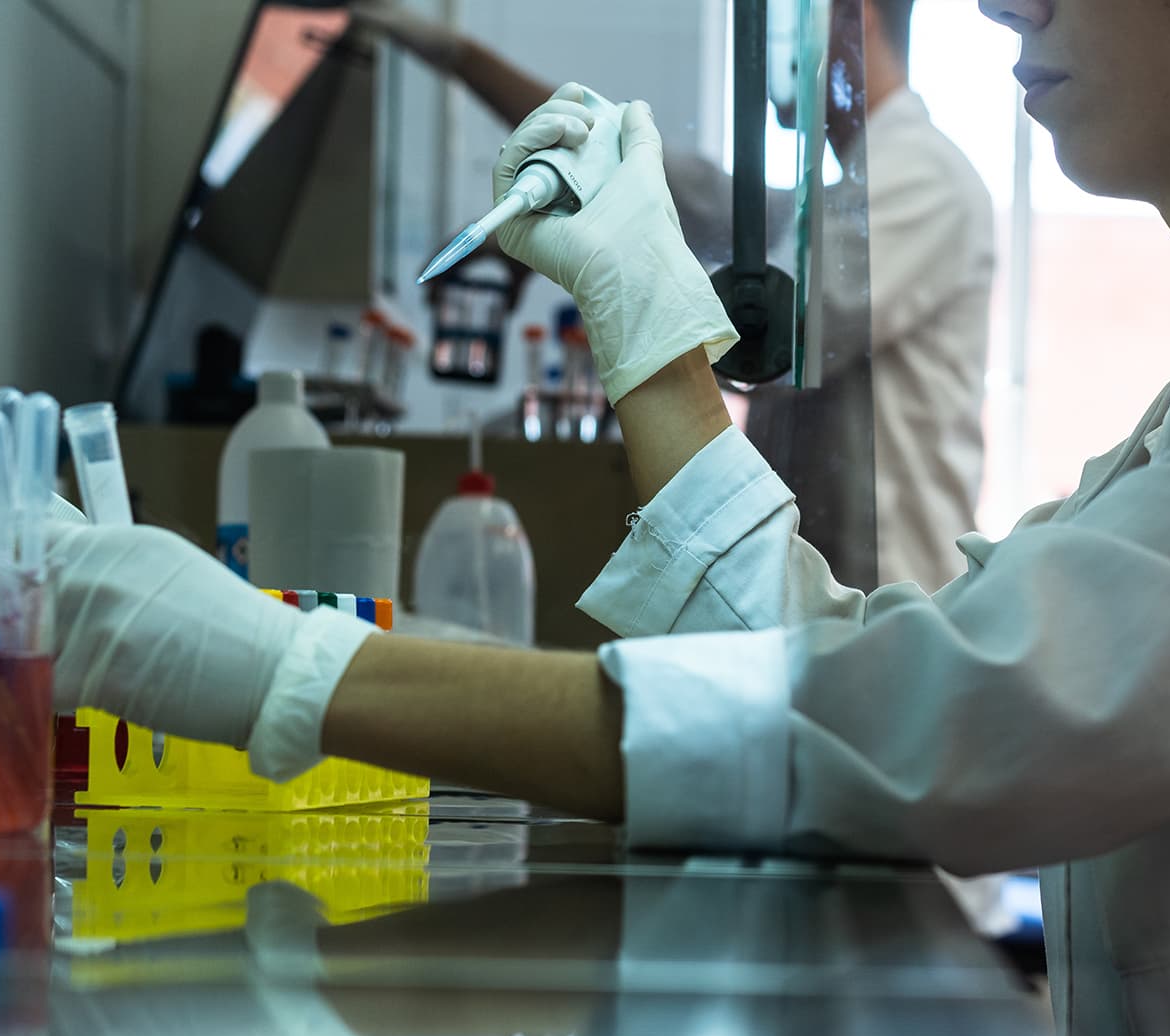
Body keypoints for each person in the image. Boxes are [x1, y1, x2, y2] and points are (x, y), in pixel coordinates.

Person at [48, 0, 1170, 1036]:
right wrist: (649, 335)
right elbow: (888, 676)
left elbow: (938, 731)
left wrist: (295, 668)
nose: (996, 4)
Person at [353, 0, 996, 598]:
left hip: (894, 602)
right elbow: (690, 190)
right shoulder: (846, 194)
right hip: (837, 606)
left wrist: (597, 261)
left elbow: (764, 329)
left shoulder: (921, 176)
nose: (776, 44)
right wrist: (461, 60)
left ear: (850, 18)